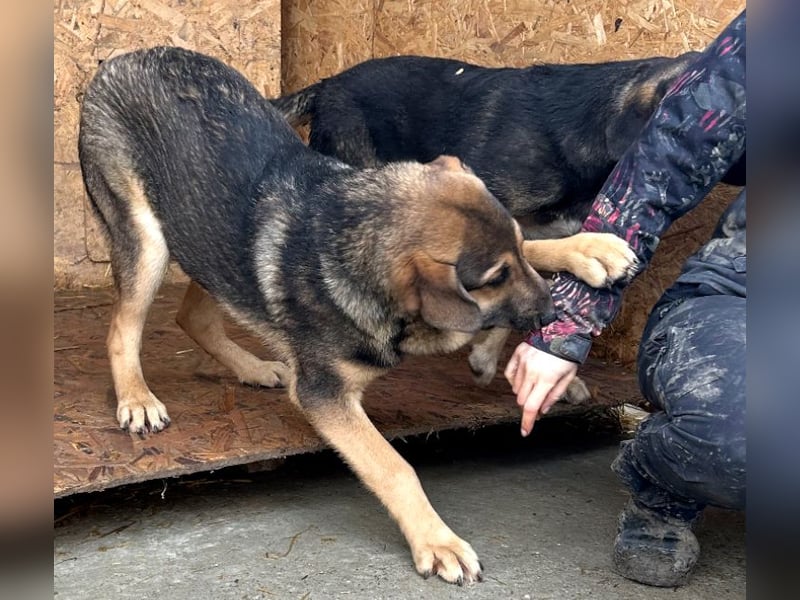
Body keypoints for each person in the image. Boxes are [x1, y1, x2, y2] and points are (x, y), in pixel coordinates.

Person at [504, 11, 746, 588]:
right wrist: (566, 324)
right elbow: (671, 152)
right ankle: (663, 483)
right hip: (746, 292)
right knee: (737, 436)